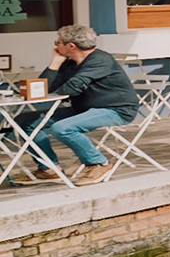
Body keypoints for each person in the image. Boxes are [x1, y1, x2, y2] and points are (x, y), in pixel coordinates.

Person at [17, 25, 138, 187]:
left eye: (58, 42)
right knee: (24, 121)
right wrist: (55, 63)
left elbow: (72, 88)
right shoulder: (69, 64)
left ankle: (98, 163)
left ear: (71, 45)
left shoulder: (101, 60)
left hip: (116, 109)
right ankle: (49, 169)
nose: (55, 46)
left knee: (62, 128)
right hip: (84, 109)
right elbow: (43, 88)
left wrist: (61, 87)